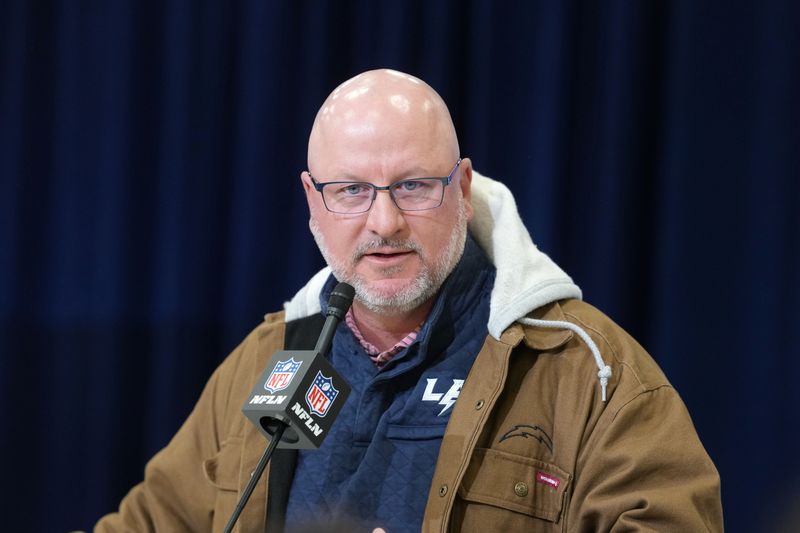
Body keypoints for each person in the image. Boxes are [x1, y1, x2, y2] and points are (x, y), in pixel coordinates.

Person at [96, 69, 723, 532]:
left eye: (414, 186)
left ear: (463, 186)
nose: (385, 221)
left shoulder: (585, 369)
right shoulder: (271, 359)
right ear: (313, 200)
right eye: (350, 191)